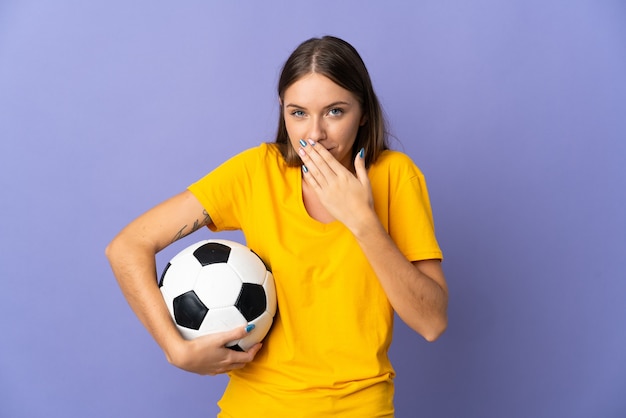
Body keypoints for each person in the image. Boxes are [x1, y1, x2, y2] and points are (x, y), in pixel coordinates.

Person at [106, 35, 448, 417]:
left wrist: (362, 221)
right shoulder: (258, 172)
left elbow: (431, 322)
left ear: (363, 112)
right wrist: (176, 349)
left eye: (335, 111)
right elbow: (127, 247)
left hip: (360, 407)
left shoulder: (396, 177)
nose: (314, 133)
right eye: (298, 112)